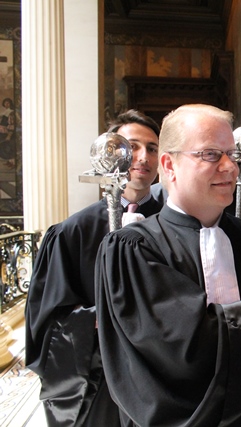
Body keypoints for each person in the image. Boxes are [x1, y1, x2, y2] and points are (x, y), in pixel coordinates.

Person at [94, 104, 241, 426]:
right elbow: (175, 345)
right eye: (210, 154)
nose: (230, 167)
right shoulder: (134, 249)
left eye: (231, 154)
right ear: (169, 164)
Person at [25, 109, 163, 426]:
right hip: (99, 381)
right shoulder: (72, 233)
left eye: (152, 148)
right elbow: (48, 320)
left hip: (162, 376)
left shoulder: (174, 223)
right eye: (131, 147)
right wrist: (98, 320)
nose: (142, 157)